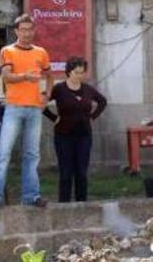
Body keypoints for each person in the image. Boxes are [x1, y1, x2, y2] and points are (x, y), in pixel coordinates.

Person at [0, 13, 54, 209]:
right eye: (23, 30)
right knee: (4, 153)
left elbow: (49, 75)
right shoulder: (7, 50)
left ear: (34, 31)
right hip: (14, 107)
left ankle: (31, 196)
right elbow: (6, 77)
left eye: (30, 30)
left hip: (34, 108)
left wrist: (46, 96)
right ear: (16, 31)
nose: (27, 33)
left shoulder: (41, 52)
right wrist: (25, 76)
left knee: (32, 154)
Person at [43, 56, 107, 202]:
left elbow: (103, 102)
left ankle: (81, 204)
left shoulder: (88, 89)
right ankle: (63, 205)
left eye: (82, 72)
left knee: (81, 173)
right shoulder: (59, 89)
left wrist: (93, 116)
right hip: (63, 136)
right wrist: (53, 118)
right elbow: (42, 103)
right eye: (76, 72)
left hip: (84, 136)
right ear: (68, 72)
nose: (79, 76)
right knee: (66, 172)